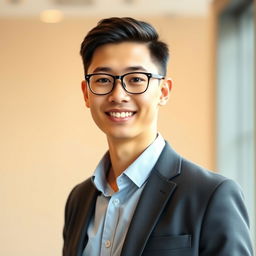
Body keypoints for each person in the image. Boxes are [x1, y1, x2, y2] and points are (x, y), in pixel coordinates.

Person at [62, 17, 253, 256]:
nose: (118, 95)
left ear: (163, 91)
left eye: (136, 80)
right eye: (102, 80)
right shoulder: (79, 199)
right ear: (86, 94)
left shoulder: (211, 194)